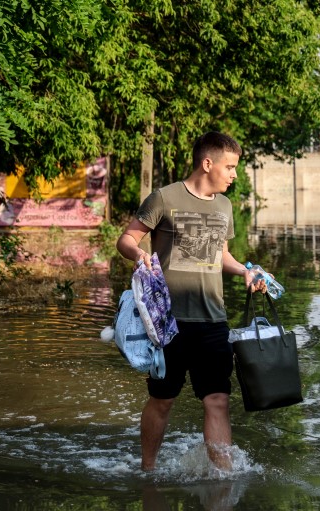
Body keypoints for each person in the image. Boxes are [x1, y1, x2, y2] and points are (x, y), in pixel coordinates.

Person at [116, 131, 265, 471]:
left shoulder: (225, 206)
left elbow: (220, 255)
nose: (234, 174)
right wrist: (137, 253)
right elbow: (127, 237)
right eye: (230, 166)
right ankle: (148, 469)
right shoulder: (164, 198)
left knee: (217, 400)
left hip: (213, 321)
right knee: (162, 400)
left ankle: (223, 479)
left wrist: (244, 271)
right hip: (167, 323)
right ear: (207, 163)